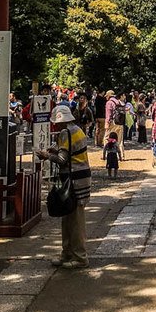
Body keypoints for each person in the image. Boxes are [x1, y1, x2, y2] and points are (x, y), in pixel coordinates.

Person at [36, 105, 91, 269]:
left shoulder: (64, 133)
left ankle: (80, 257)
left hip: (73, 180)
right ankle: (67, 253)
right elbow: (70, 152)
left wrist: (46, 155)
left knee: (74, 221)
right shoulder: (76, 130)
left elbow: (62, 159)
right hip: (80, 178)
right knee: (68, 217)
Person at [105, 90, 126, 158]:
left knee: (107, 137)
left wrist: (107, 123)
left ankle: (106, 154)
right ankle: (122, 155)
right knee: (120, 140)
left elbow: (109, 114)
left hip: (113, 123)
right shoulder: (119, 102)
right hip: (120, 122)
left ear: (109, 96)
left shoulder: (109, 102)